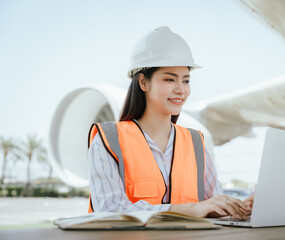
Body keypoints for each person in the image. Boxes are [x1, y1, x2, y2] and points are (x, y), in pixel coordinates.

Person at [88, 26, 254, 219]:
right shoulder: (108, 141)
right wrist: (190, 209)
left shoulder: (195, 144)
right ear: (143, 83)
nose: (181, 90)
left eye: (186, 81)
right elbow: (110, 210)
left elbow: (213, 204)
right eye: (169, 79)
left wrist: (241, 208)